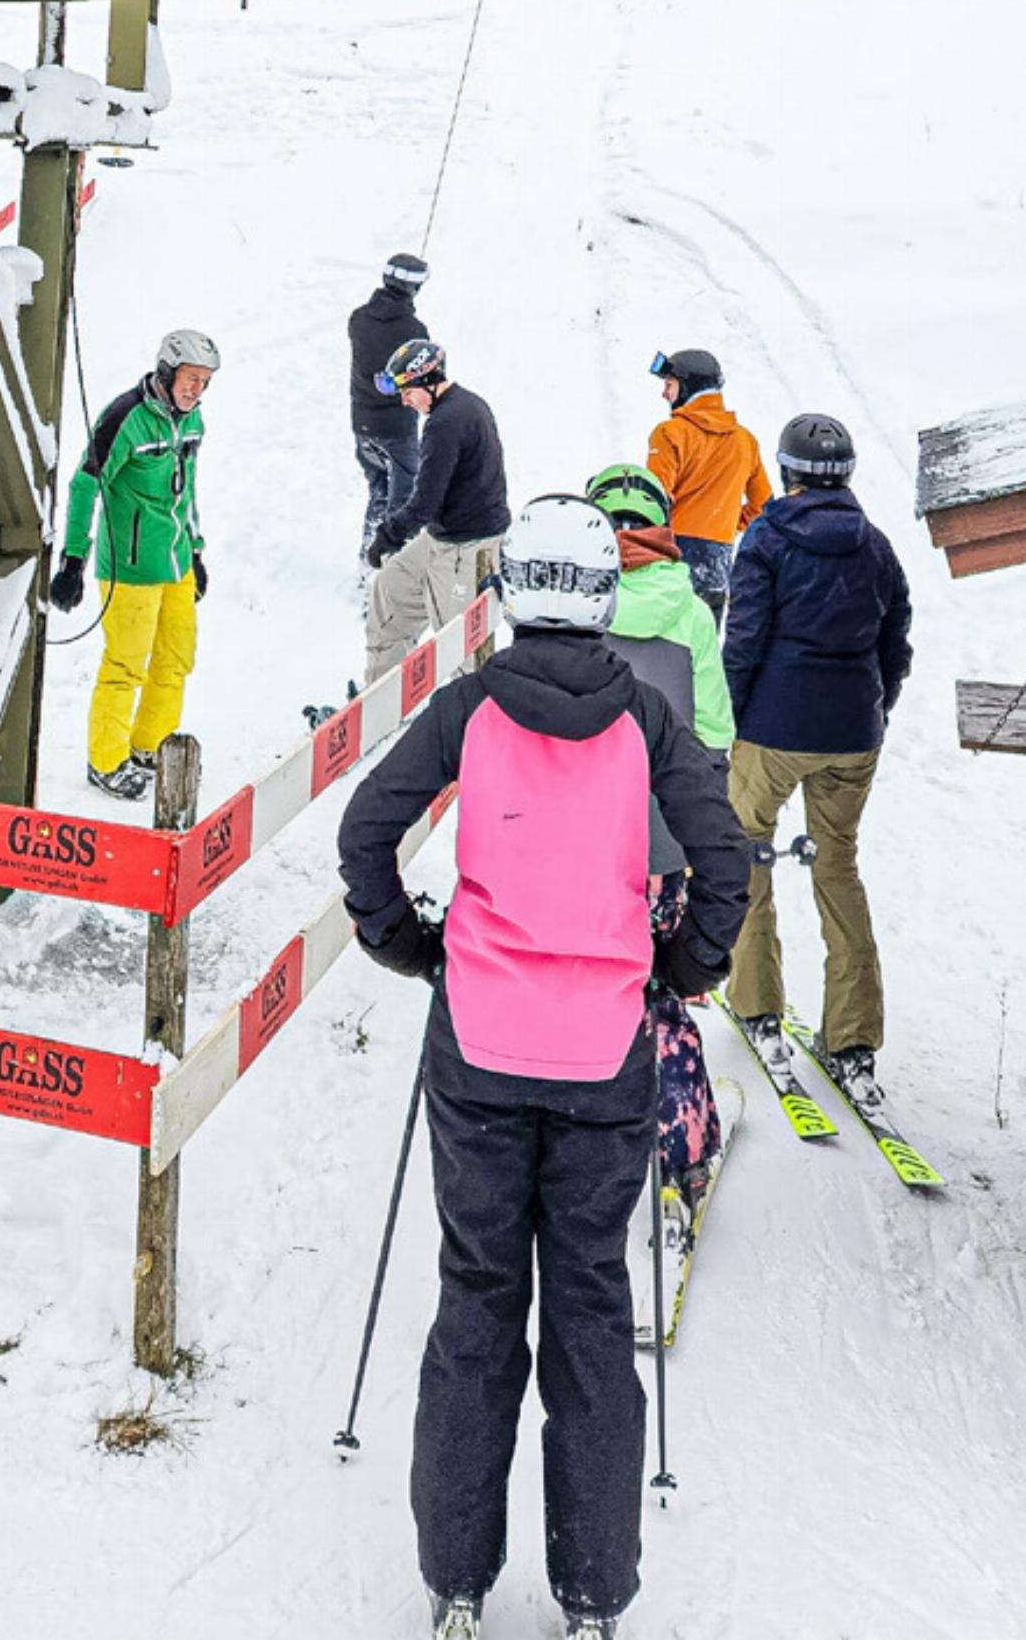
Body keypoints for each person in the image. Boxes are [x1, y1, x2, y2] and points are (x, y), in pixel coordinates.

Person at [339, 495, 750, 1640]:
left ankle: (459, 1585)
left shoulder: (467, 708)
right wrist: (681, 966)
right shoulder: (645, 722)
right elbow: (722, 854)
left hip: (478, 1044)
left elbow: (367, 834)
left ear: (514, 592)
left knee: (476, 1298)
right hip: (602, 1052)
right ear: (603, 597)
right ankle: (593, 1596)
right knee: (588, 1302)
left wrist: (411, 944)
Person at [723, 412, 912, 1092]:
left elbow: (742, 641)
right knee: (838, 866)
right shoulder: (877, 547)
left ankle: (756, 1004)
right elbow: (897, 644)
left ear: (787, 472)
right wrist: (874, 710)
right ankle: (853, 1038)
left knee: (746, 849)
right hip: (852, 735)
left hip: (774, 729)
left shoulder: (767, 540)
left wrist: (735, 723)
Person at [586, 461, 732, 1213]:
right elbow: (715, 735)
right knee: (658, 990)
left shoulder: (574, 604)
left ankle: (584, 1129)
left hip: (576, 841)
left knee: (580, 980)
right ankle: (687, 1146)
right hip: (659, 847)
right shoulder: (692, 612)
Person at [51, 329, 218, 801]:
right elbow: (86, 485)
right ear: (167, 372)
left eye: (205, 382)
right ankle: (105, 761)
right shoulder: (125, 417)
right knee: (126, 666)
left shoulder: (193, 422)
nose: (196, 390)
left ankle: (150, 746)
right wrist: (72, 560)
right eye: (190, 379)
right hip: (129, 567)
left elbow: (188, 491)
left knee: (175, 660)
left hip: (176, 563)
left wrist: (198, 551)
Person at [363, 337, 510, 682]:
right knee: (390, 590)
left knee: (461, 648)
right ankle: (382, 699)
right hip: (441, 538)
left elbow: (425, 502)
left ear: (428, 381)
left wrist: (387, 535)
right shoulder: (465, 406)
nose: (404, 400)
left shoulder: (447, 422)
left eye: (407, 391)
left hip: (469, 549)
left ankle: (468, 721)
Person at [645, 347, 770, 626]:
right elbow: (764, 505)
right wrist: (726, 522)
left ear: (687, 386)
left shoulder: (670, 434)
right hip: (717, 563)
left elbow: (654, 503)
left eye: (669, 385)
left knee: (663, 652)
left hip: (672, 557)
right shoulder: (745, 440)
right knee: (703, 652)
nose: (664, 394)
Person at [348, 254, 430, 564]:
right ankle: (389, 570)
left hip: (362, 426)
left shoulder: (358, 319)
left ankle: (368, 560)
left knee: (379, 492)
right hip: (397, 429)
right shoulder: (414, 329)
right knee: (403, 503)